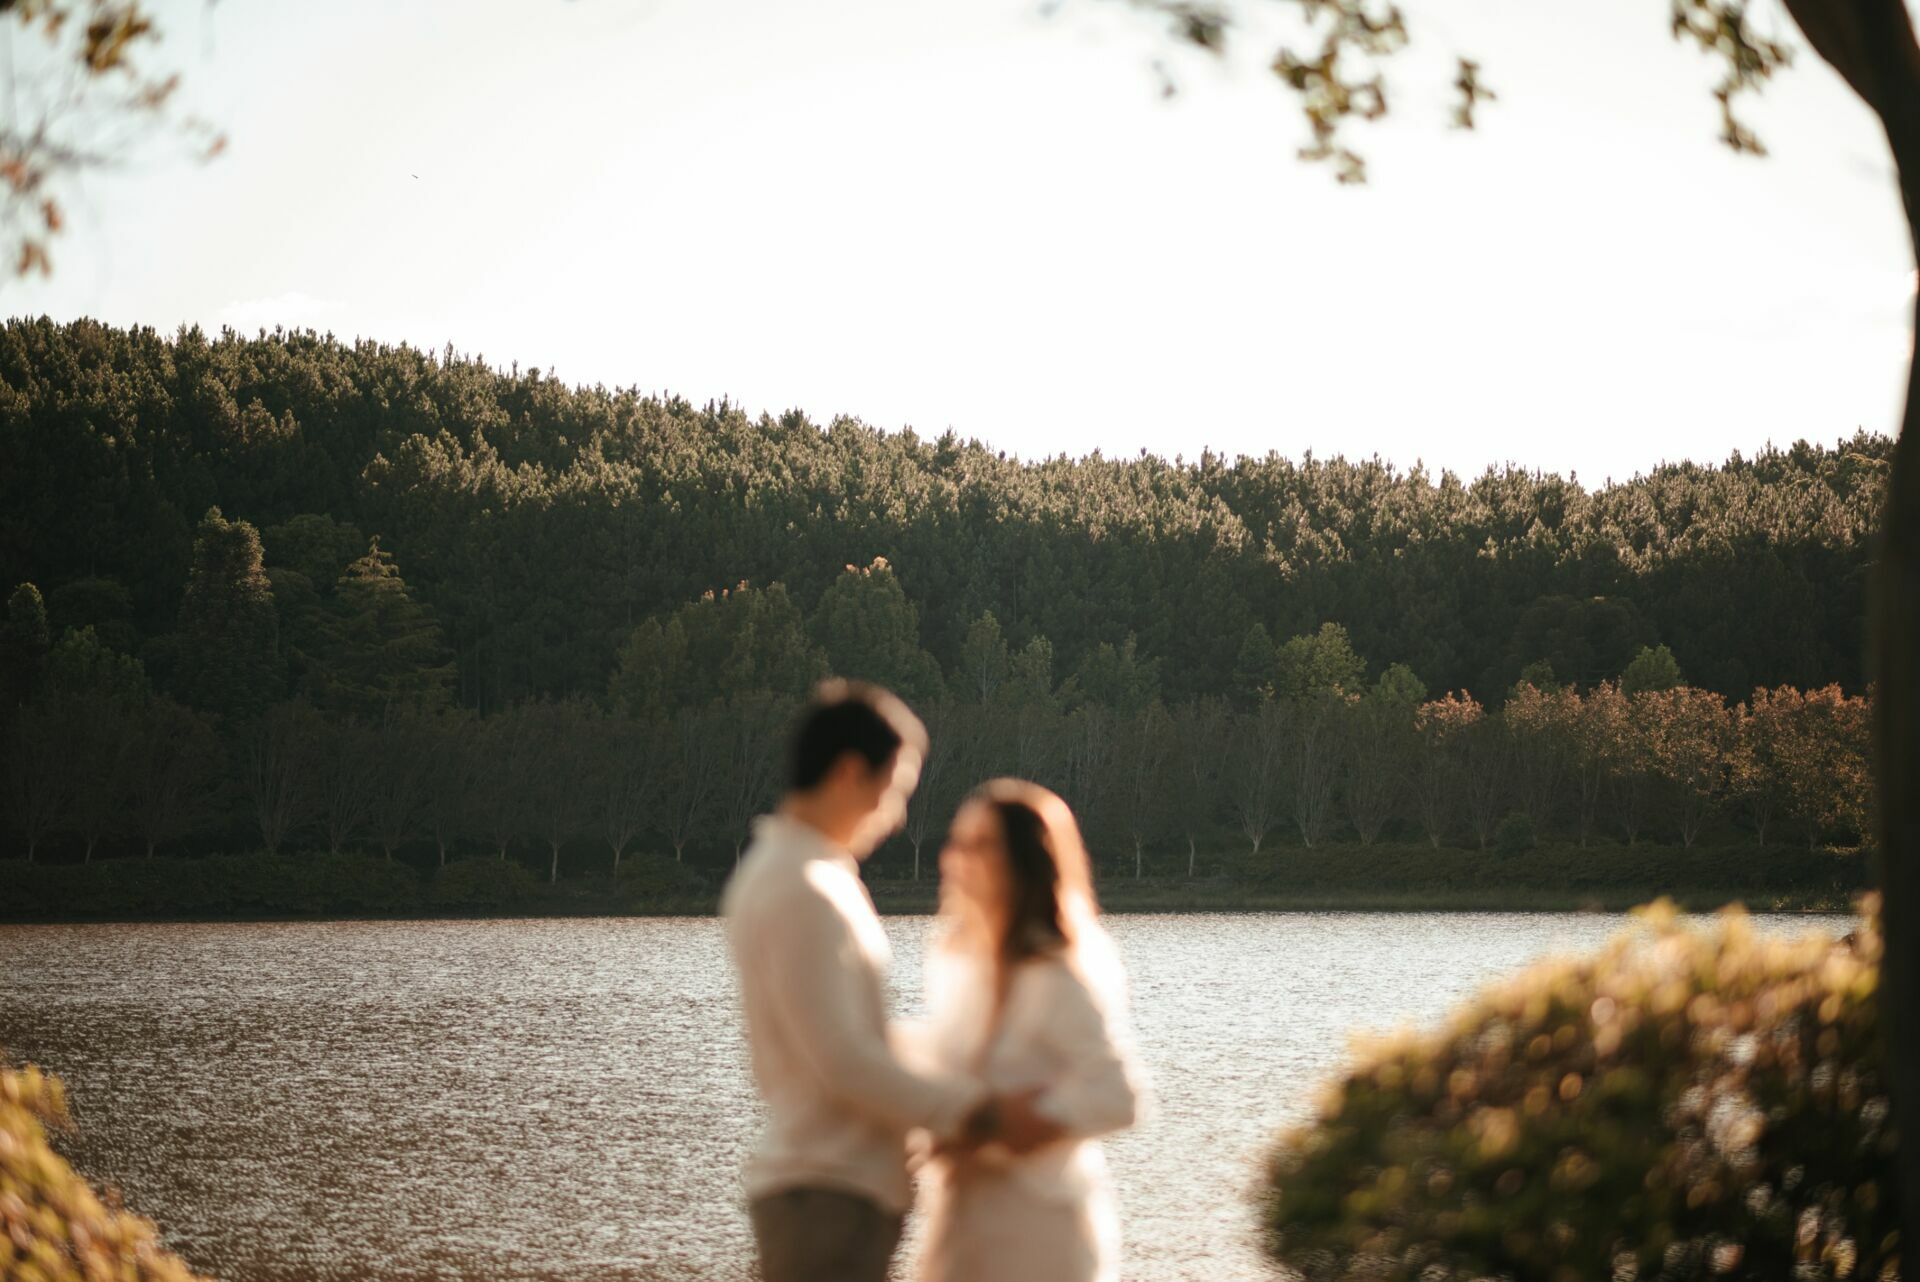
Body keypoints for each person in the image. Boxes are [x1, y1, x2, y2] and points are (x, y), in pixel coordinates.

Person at [722, 681, 1053, 1282]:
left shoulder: (810, 876)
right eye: (894, 789)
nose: (897, 816)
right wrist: (981, 1113)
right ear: (850, 773)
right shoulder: (800, 887)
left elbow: (856, 1038)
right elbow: (842, 1061)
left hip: (837, 1196)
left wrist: (971, 1057)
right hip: (825, 1201)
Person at [913, 778, 1146, 1282]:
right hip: (960, 1218)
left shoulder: (1055, 974)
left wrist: (1018, 1121)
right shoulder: (955, 966)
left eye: (981, 845)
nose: (958, 858)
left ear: (1024, 864)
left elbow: (1118, 1097)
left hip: (1041, 1225)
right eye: (957, 842)